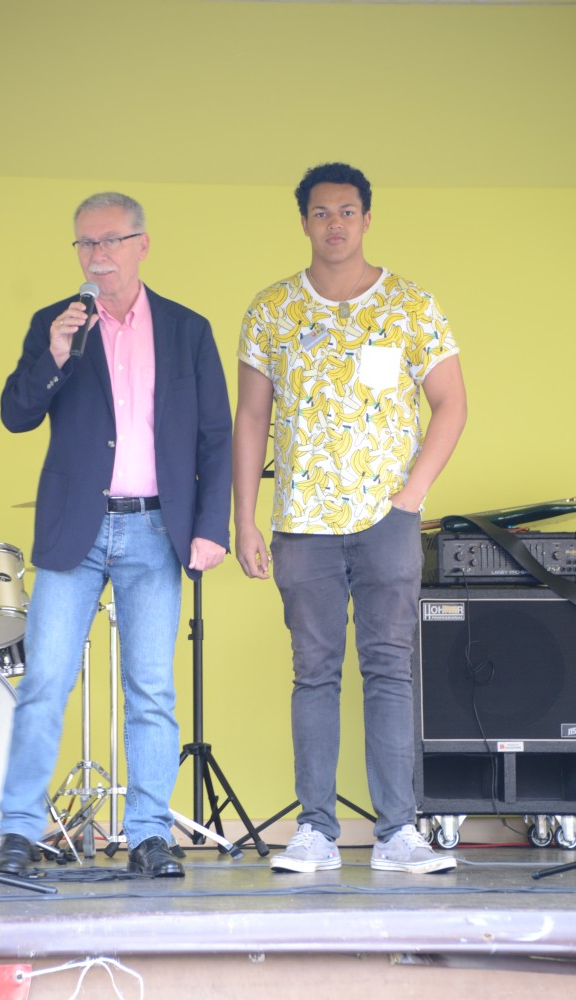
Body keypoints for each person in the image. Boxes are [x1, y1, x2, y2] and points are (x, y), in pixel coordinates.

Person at [233, 163, 466, 875]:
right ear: (302, 221)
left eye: (346, 211)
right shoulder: (272, 309)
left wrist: (411, 495)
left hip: (386, 522)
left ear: (366, 219)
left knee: (389, 670)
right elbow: (251, 418)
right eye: (320, 212)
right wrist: (245, 518)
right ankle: (315, 831)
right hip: (301, 522)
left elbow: (450, 403)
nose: (333, 224)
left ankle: (397, 833)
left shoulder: (409, 304)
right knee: (314, 673)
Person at [0, 192, 231, 878]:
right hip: (76, 526)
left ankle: (149, 835)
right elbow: (15, 413)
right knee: (45, 682)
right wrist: (55, 353)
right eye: (84, 244)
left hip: (156, 528)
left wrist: (210, 526)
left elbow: (215, 436)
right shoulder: (56, 324)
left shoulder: (187, 329)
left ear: (141, 245)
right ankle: (18, 832)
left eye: (109, 241)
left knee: (151, 689)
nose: (96, 256)